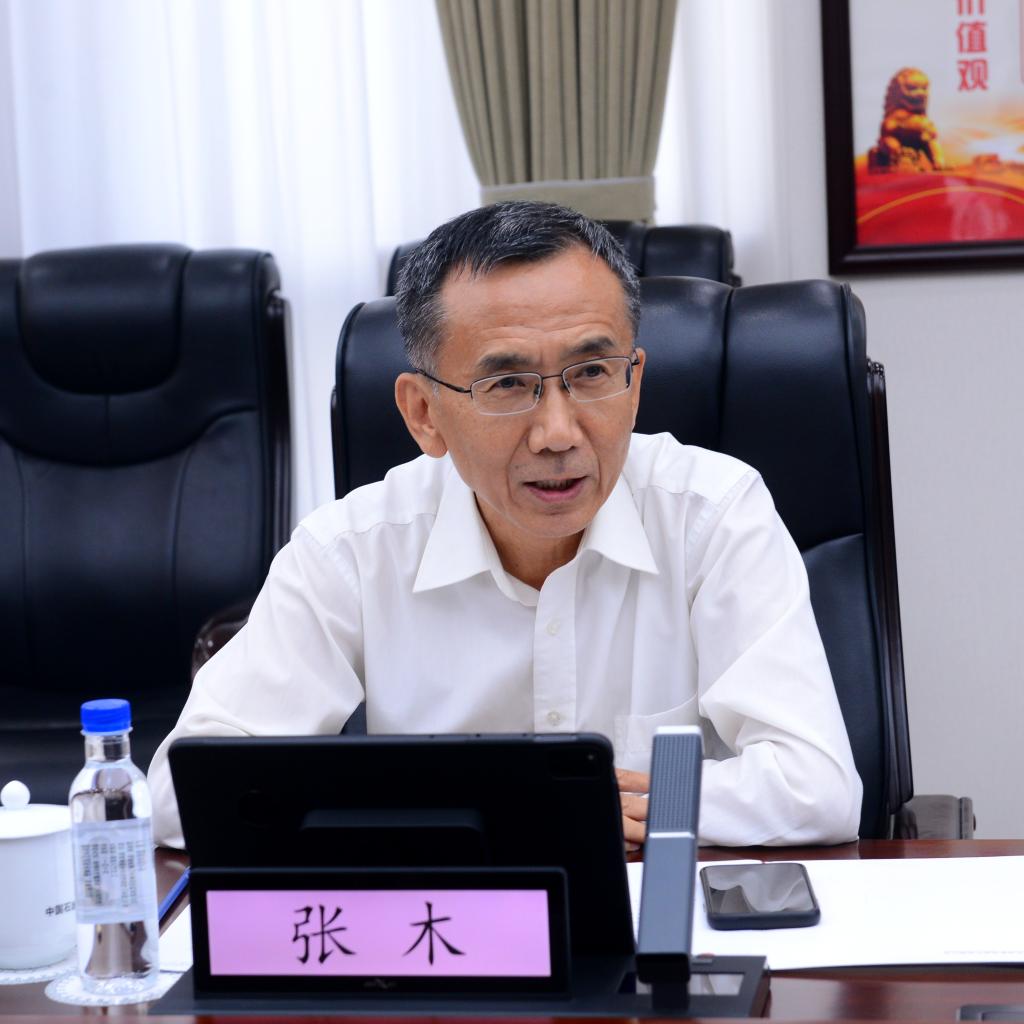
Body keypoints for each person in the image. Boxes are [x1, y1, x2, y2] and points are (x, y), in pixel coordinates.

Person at [148, 201, 862, 850]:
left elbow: (818, 787)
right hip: (451, 930)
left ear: (635, 382)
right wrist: (491, 809)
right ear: (424, 414)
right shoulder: (353, 550)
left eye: (592, 372)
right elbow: (182, 794)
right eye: (508, 384)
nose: (558, 433)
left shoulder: (714, 514)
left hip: (665, 920)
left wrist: (646, 806)